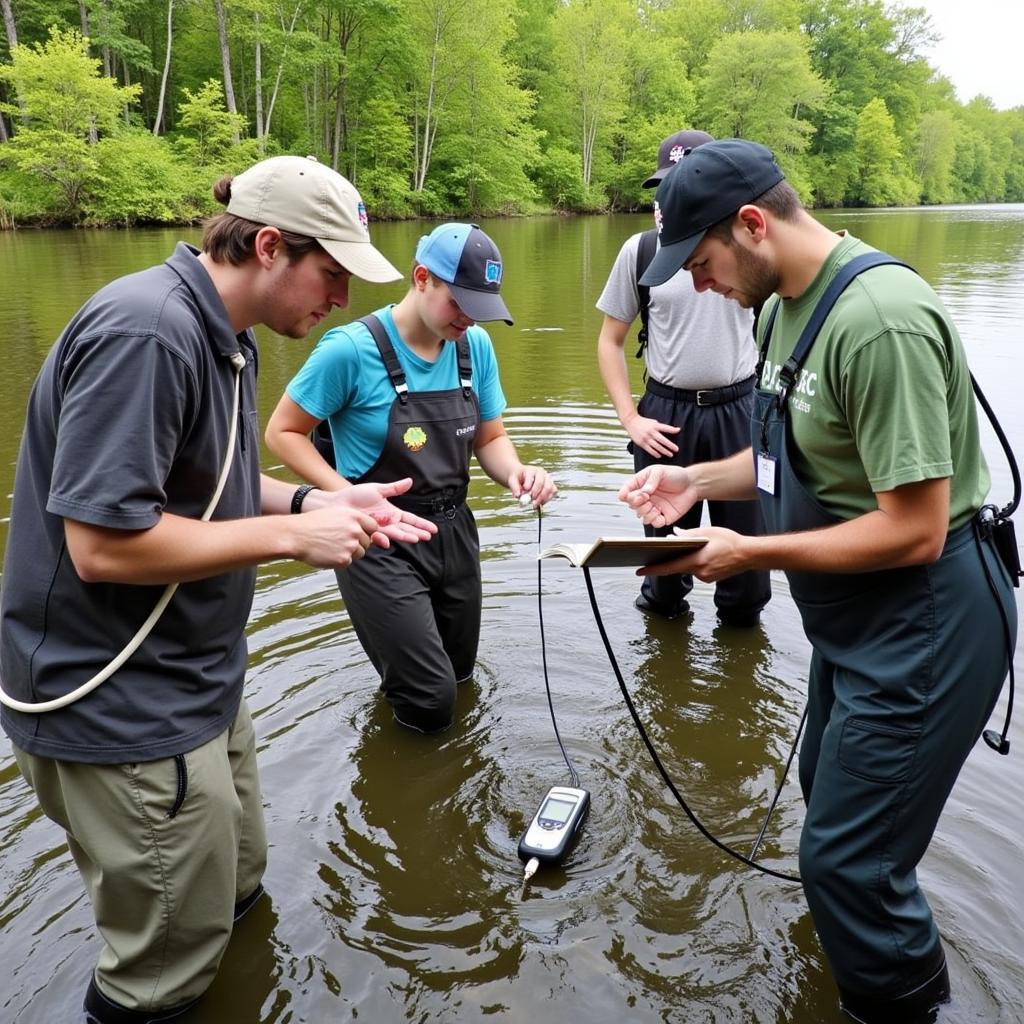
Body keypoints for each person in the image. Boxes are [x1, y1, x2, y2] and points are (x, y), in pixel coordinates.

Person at [0, 154, 439, 1024]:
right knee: (159, 970)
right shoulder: (149, 333)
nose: (344, 301)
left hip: (197, 681)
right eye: (332, 274)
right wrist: (292, 536)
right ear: (269, 246)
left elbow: (214, 491)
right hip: (119, 703)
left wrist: (319, 497)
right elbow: (100, 546)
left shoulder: (223, 336)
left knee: (231, 896)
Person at [618, 138, 1017, 1022]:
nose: (700, 284)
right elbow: (778, 458)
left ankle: (900, 1007)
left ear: (753, 226)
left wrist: (748, 554)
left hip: (929, 617)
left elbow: (913, 529)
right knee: (824, 806)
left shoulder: (879, 321)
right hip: (856, 617)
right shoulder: (780, 310)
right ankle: (853, 955)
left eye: (706, 262)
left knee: (847, 860)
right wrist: (692, 482)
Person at [265, 222, 557, 734]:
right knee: (429, 699)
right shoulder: (349, 350)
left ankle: (416, 767)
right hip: (377, 538)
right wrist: (341, 496)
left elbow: (489, 439)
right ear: (422, 278)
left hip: (453, 532)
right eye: (459, 303)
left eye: (480, 307)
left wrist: (519, 472)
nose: (468, 319)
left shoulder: (475, 348)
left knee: (461, 677)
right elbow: (283, 432)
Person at [595, 129, 770, 625]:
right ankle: (662, 653)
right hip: (665, 419)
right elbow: (609, 341)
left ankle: (739, 664)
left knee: (747, 571)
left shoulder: (749, 254)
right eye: (668, 184)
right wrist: (631, 418)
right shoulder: (643, 251)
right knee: (663, 572)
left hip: (740, 411)